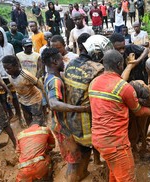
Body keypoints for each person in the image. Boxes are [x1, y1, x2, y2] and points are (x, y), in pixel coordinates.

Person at [89, 49, 150, 182]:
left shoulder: (94, 83)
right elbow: (139, 111)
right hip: (116, 144)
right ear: (119, 65)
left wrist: (130, 66)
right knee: (127, 178)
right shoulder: (124, 88)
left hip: (98, 140)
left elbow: (117, 84)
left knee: (114, 171)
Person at [64, 34, 109, 179]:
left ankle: (86, 169)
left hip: (72, 120)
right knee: (106, 151)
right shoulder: (97, 68)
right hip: (89, 121)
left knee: (82, 152)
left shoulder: (70, 64)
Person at [42, 47, 89, 181]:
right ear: (55, 62)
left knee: (76, 154)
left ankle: (80, 175)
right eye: (62, 60)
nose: (64, 63)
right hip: (61, 126)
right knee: (73, 158)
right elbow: (53, 103)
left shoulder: (50, 77)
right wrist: (81, 109)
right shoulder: (55, 81)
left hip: (58, 124)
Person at [0, 26, 22, 122]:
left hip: (10, 76)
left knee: (14, 96)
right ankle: (10, 114)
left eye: (0, 33)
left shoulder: (10, 46)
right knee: (2, 98)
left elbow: (14, 59)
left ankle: (18, 115)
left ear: (3, 34)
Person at [2, 55, 45, 127]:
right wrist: (8, 92)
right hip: (23, 101)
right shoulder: (10, 75)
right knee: (28, 119)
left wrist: (46, 100)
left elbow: (40, 85)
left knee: (38, 122)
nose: (6, 71)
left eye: (9, 68)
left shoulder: (26, 75)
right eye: (5, 68)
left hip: (35, 100)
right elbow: (14, 83)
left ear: (16, 65)